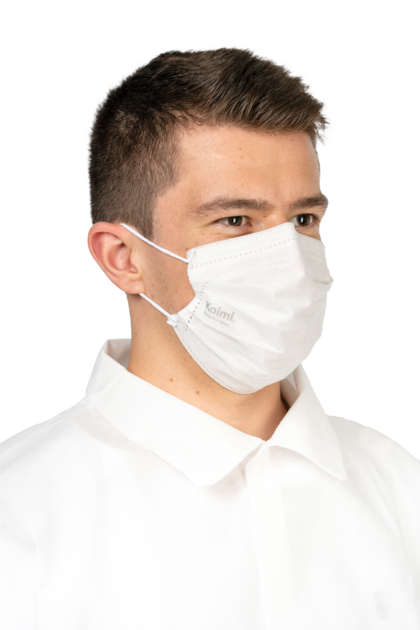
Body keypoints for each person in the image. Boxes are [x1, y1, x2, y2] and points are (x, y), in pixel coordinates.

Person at [1, 48, 419, 629]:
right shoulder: (21, 516)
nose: (288, 259)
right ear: (123, 257)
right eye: (235, 221)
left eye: (303, 220)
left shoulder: (399, 487)